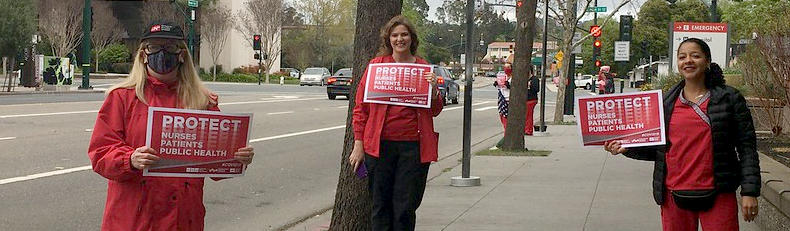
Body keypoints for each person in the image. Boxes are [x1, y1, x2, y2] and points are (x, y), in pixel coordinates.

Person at [87, 21, 255, 231]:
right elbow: (100, 153)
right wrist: (130, 159)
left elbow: (216, 166)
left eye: (170, 47)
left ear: (182, 54)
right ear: (143, 54)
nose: (162, 53)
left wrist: (238, 158)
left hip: (183, 219)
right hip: (134, 220)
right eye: (154, 47)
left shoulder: (202, 101)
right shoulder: (121, 97)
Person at [604, 38, 760, 231]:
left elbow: (747, 148)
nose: (688, 61)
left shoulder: (730, 99)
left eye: (695, 56)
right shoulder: (665, 103)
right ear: (677, 63)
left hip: (719, 193)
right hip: (673, 195)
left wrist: (750, 191)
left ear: (707, 61)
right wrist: (627, 148)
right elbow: (659, 148)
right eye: (682, 57)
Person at [347, 15, 443, 231]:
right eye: (395, 35)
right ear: (388, 39)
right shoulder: (377, 66)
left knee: (405, 208)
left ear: (412, 38)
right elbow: (361, 108)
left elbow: (435, 111)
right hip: (379, 147)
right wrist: (359, 143)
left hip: (413, 149)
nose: (400, 39)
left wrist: (435, 91)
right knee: (380, 206)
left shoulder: (423, 67)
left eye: (404, 34)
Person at [525, 67, 539, 135]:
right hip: (524, 99)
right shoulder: (523, 79)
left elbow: (537, 89)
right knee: (525, 115)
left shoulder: (534, 79)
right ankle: (525, 129)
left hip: (531, 99)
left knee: (528, 115)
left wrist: (530, 85)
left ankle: (528, 130)